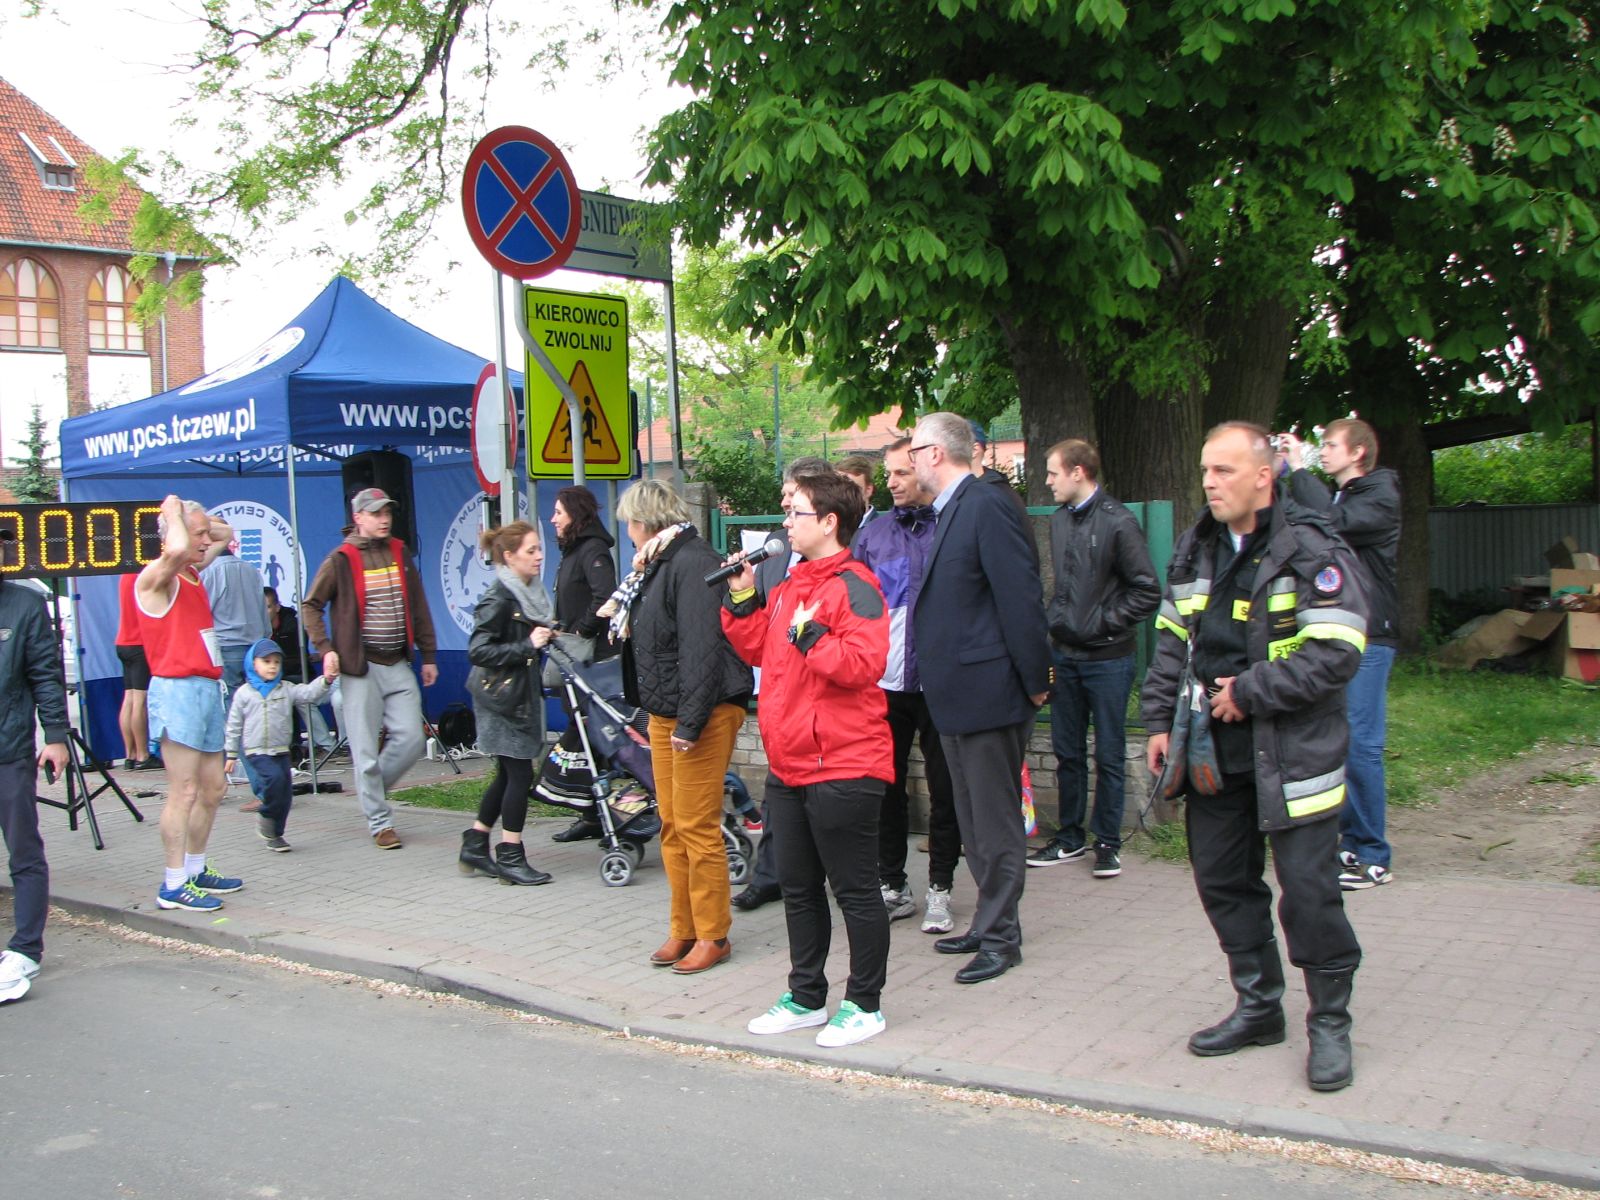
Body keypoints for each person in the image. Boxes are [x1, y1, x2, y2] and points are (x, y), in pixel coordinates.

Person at [1142, 421, 1367, 1092]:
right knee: (1221, 881)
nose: (1210, 483)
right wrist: (1158, 721)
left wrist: (1251, 690)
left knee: (1311, 896)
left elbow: (1337, 649)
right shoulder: (1198, 547)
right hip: (1213, 753)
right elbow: (1172, 639)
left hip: (1294, 755)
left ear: (1264, 476)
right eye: (1205, 471)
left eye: (1225, 471)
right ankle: (1260, 1006)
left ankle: (1330, 1024)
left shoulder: (1312, 548)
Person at [721, 470, 894, 1047]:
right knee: (797, 887)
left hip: (845, 763)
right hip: (790, 763)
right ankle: (805, 997)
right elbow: (759, 649)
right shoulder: (791, 584)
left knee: (855, 890)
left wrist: (811, 637)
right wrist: (742, 597)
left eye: (795, 511)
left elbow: (864, 665)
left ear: (829, 521)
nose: (785, 521)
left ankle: (864, 1005)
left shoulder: (856, 585)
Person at [910, 412, 1050, 984]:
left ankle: (1001, 938)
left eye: (914, 450)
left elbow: (1020, 596)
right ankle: (989, 920)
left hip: (989, 693)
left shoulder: (986, 503)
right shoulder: (952, 508)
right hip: (957, 695)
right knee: (973, 823)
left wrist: (1036, 679)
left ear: (936, 453)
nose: (909, 462)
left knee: (994, 824)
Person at [603, 480, 752, 976]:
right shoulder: (656, 563)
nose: (627, 531)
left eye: (629, 522)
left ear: (645, 521)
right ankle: (683, 927)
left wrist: (689, 723)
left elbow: (701, 648)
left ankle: (713, 935)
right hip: (669, 711)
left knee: (696, 825)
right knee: (672, 823)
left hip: (702, 713)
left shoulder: (691, 561)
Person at [1029, 439, 1160, 878]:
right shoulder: (1060, 520)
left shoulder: (1118, 521)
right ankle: (1069, 838)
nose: (1048, 481)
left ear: (1078, 472)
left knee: (1109, 753)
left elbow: (1147, 590)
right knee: (1067, 751)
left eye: (1053, 472)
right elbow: (1062, 585)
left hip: (1108, 659)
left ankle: (1107, 842)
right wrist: (1058, 621)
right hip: (1064, 655)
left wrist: (1101, 623)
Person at [1280, 421, 1401, 891]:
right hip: (1340, 631)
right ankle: (1350, 843)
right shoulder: (1341, 496)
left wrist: (1299, 470)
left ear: (1358, 453)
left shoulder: (1379, 496)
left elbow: (1333, 524)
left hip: (1371, 635)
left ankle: (1372, 855)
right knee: (1339, 738)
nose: (1324, 452)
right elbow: (1304, 520)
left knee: (1362, 744)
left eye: (1331, 445)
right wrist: (1281, 476)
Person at [853, 437, 962, 933]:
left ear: (924, 469)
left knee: (946, 790)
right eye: (888, 474)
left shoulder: (952, 526)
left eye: (901, 472)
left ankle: (941, 887)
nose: (893, 483)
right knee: (885, 788)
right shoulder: (873, 536)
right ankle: (892, 884)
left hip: (942, 682)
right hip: (886, 684)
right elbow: (854, 608)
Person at [302, 487, 439, 850]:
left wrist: (429, 655)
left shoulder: (399, 550)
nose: (384, 519)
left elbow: (419, 605)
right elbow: (311, 605)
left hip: (397, 661)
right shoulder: (341, 558)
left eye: (387, 513)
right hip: (360, 667)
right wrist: (325, 649)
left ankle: (372, 791)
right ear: (358, 517)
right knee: (364, 753)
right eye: (376, 513)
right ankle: (380, 823)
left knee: (412, 739)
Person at [732, 455, 834, 912]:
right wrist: (739, 595)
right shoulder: (775, 550)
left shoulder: (843, 561)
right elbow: (761, 626)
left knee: (826, 805)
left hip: (821, 706)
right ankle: (773, 876)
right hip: (778, 696)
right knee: (780, 795)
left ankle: (841, 875)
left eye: (792, 496)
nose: (784, 506)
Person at [137, 495, 243, 913]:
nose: (205, 541)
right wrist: (172, 512)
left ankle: (196, 869)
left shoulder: (193, 572)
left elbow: (225, 533)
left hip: (206, 687)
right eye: (197, 534)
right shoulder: (157, 576)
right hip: (177, 691)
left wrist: (197, 519)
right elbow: (180, 546)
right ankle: (173, 883)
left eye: (203, 534)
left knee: (213, 787)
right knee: (183, 790)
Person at [461, 521, 557, 885]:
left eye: (539, 548)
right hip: (499, 699)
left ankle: (475, 843)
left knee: (507, 773)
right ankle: (510, 855)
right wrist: (527, 645)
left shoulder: (527, 592)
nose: (539, 556)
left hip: (516, 695)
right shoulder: (499, 597)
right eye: (531, 550)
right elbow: (478, 650)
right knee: (520, 774)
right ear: (509, 556)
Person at [0, 573, 70, 1003]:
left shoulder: (25, 604)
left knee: (23, 851)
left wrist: (56, 735)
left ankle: (26, 949)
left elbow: (45, 673)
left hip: (9, 751)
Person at [544, 485, 619, 842]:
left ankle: (602, 813)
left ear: (575, 514)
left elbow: (605, 596)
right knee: (583, 733)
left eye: (558, 512)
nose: (552, 519)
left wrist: (579, 631)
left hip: (591, 661)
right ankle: (591, 813)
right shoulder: (574, 550)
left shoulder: (593, 550)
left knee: (591, 735)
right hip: (575, 659)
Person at [223, 638, 335, 852]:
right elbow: (233, 725)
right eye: (266, 661)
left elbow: (309, 693)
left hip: (281, 750)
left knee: (285, 795)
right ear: (253, 664)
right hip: (257, 751)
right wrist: (231, 754)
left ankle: (275, 834)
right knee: (274, 780)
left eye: (276, 662)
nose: (272, 666)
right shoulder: (244, 693)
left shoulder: (286, 689)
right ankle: (266, 814)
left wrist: (326, 680)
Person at [114, 571, 158, 770]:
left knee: (129, 697)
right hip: (140, 643)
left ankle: (129, 754)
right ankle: (143, 754)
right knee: (140, 700)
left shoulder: (125, 574)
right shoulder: (145, 575)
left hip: (123, 641)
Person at [834, 455, 880, 530]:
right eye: (837, 486)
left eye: (850, 487)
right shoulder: (830, 527)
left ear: (868, 490)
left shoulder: (884, 529)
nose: (842, 492)